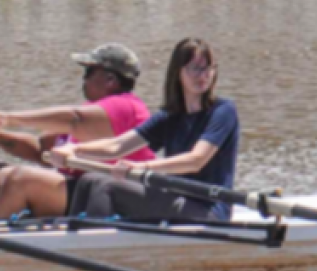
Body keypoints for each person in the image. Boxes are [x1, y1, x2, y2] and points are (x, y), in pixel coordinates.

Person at [51, 38, 241, 221]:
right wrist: (74, 150)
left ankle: (92, 245)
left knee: (106, 186)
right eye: (195, 68)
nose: (203, 75)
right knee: (89, 180)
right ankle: (71, 234)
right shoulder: (170, 116)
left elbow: (196, 160)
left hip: (209, 209)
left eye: (208, 68)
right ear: (178, 73)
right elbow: (117, 146)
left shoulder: (223, 111)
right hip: (178, 200)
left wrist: (142, 167)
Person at [0, 42, 156, 221]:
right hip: (80, 187)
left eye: (89, 71)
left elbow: (74, 119)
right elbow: (40, 149)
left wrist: (8, 119)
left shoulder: (126, 106)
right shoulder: (94, 112)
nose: (83, 78)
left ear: (110, 79)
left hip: (107, 192)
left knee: (20, 180)